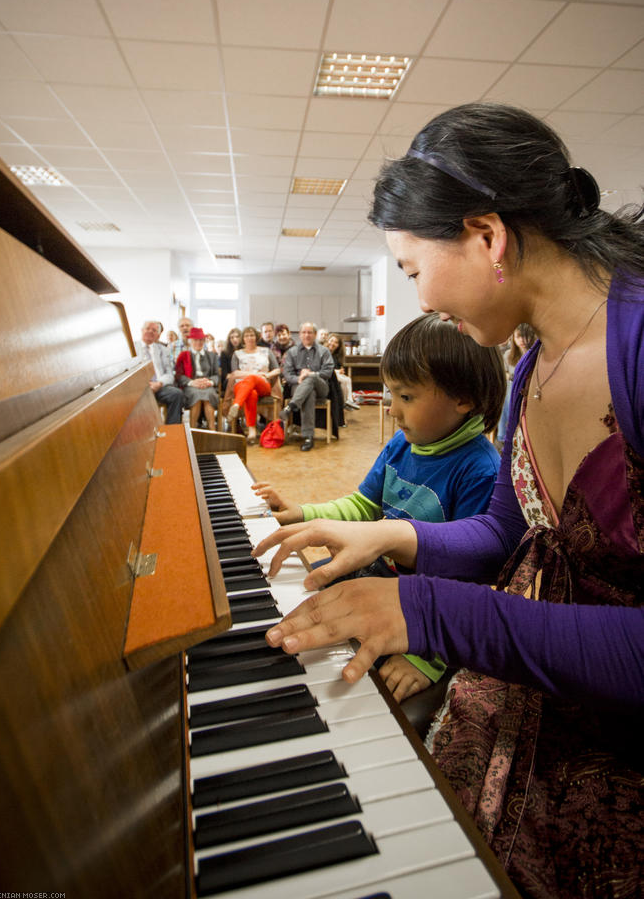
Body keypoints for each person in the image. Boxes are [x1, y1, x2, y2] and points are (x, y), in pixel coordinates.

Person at [253, 103, 644, 899]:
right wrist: (389, 535)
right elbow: (512, 531)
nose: (419, 298)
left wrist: (428, 614)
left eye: (409, 268)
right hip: (534, 707)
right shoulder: (530, 365)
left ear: (486, 236)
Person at [254, 313, 504, 701]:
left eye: (406, 397)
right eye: (392, 395)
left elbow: (469, 578)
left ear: (464, 399)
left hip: (427, 607)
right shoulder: (402, 444)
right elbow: (362, 506)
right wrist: (302, 512)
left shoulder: (480, 470)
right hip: (379, 575)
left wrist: (427, 658)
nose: (392, 410)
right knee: (296, 601)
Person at [282, 322, 334, 451]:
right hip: (298, 386)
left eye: (310, 332)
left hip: (321, 386)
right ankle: (308, 437)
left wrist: (311, 374)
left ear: (315, 334)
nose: (307, 335)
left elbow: (328, 372)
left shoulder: (324, 351)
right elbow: (287, 374)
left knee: (311, 378)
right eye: (304, 332)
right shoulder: (292, 352)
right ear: (299, 335)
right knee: (309, 394)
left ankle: (291, 407)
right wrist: (299, 378)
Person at [226, 325, 281, 444]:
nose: (249, 338)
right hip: (242, 386)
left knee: (252, 379)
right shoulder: (237, 354)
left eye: (252, 335)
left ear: (256, 337)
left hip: (263, 384)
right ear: (243, 338)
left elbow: (277, 369)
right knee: (251, 393)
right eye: (246, 335)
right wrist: (252, 374)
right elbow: (235, 373)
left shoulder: (266, 351)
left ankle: (236, 405)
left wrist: (267, 375)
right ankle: (252, 431)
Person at [135, 320, 186, 424]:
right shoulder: (132, 347)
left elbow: (169, 374)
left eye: (154, 330)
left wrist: (159, 383)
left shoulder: (164, 350)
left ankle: (172, 431)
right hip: (138, 387)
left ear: (158, 335)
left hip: (159, 386)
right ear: (142, 330)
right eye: (148, 328)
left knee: (177, 394)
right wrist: (144, 384)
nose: (150, 331)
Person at [497, 323, 537, 445]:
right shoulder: (508, 355)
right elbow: (505, 373)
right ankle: (503, 435)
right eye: (518, 336)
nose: (521, 340)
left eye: (524, 336)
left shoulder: (534, 355)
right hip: (511, 390)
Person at [174, 327, 219, 429]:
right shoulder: (184, 355)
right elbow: (179, 375)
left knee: (209, 394)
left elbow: (216, 375)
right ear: (190, 341)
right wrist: (192, 383)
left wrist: (210, 382)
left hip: (207, 385)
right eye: (195, 340)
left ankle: (212, 429)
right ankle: (193, 429)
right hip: (190, 386)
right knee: (197, 395)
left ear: (204, 341)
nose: (198, 342)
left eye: (201, 340)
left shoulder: (212, 356)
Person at [326, 333, 360, 411]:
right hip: (327, 374)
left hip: (334, 374)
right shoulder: (323, 352)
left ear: (339, 345)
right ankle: (348, 401)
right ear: (327, 341)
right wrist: (338, 371)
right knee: (346, 380)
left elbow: (337, 367)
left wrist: (340, 371)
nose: (333, 343)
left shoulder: (336, 355)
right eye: (331, 341)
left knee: (345, 381)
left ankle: (346, 402)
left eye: (336, 342)